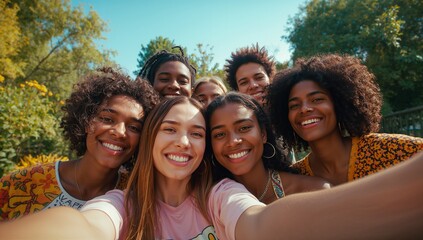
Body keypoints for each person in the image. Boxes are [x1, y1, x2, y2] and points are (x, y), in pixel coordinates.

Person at [2, 96, 423, 239]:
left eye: (197, 133)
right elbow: (87, 227)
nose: (184, 142)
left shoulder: (221, 197)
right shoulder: (122, 203)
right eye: (170, 129)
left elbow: (260, 226)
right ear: (149, 141)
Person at [0, 67, 160, 220]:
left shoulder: (137, 196)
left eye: (133, 127)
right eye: (107, 119)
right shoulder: (21, 185)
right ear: (85, 120)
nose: (119, 132)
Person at [267, 54, 423, 185]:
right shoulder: (296, 177)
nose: (304, 109)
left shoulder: (390, 150)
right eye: (294, 105)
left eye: (317, 99)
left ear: (340, 103)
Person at [206, 92, 330, 204]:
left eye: (244, 128)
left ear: (263, 134)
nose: (233, 142)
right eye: (220, 134)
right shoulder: (208, 205)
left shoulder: (312, 192)